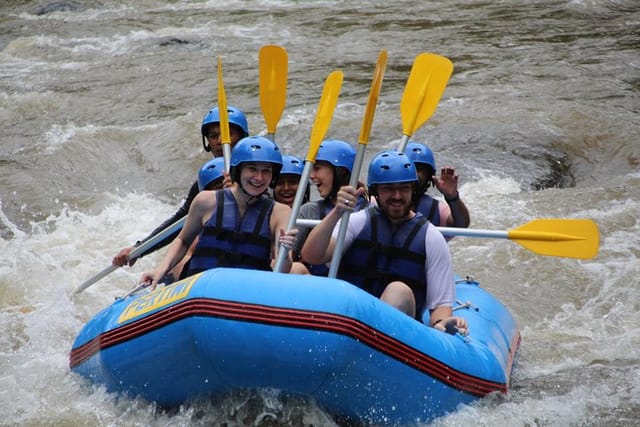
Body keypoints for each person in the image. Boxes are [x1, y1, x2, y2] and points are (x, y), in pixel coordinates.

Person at [301, 149, 468, 334]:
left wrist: (443, 323)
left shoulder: (432, 237)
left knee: (398, 291)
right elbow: (312, 256)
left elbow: (440, 308)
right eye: (388, 189)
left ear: (412, 190)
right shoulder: (357, 222)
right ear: (376, 192)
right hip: (348, 322)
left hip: (397, 335)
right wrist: (336, 213)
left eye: (403, 188)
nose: (397, 196)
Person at [140, 136, 296, 288]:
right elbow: (183, 241)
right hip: (202, 289)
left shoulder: (280, 212)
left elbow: (283, 269)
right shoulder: (206, 201)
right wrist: (162, 268)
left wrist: (285, 251)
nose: (259, 178)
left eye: (266, 171)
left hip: (248, 293)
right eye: (252, 169)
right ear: (237, 170)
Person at [112, 106, 249, 268]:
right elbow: (178, 224)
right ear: (208, 142)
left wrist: (240, 194)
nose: (220, 141)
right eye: (213, 136)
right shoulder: (208, 181)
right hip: (217, 256)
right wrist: (139, 248)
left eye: (227, 135)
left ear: (242, 138)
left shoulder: (261, 175)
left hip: (253, 250)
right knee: (192, 247)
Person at [291, 139, 368, 276]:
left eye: (317, 168)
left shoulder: (369, 210)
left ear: (341, 172)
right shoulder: (309, 211)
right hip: (318, 290)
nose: (311, 176)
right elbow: (288, 259)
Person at [166, 157, 226, 282]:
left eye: (225, 186)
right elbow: (183, 249)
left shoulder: (264, 212)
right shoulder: (202, 223)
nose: (222, 193)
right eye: (217, 188)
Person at [405, 141, 470, 229]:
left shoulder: (434, 209)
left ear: (429, 177)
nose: (415, 174)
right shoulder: (385, 201)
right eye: (410, 168)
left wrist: (452, 197)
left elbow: (460, 226)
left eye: (420, 169)